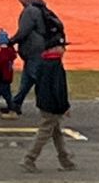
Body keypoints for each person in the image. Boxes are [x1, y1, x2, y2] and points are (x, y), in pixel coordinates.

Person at [21, 35, 74, 173]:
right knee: (44, 133)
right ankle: (29, 158)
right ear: (55, 49)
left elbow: (38, 85)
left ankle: (65, 160)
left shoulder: (42, 63)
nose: (64, 50)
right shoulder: (56, 65)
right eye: (62, 47)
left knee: (56, 133)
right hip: (53, 105)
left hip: (44, 103)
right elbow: (59, 89)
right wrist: (64, 107)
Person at [11, 0, 48, 114]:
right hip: (35, 50)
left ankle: (47, 105)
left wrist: (11, 41)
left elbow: (24, 31)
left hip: (34, 50)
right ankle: (16, 103)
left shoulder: (30, 11)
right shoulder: (37, 9)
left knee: (36, 77)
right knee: (27, 79)